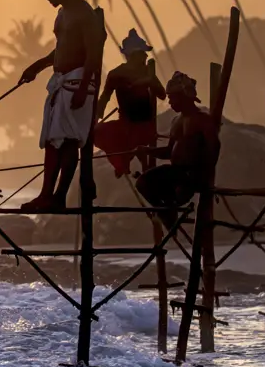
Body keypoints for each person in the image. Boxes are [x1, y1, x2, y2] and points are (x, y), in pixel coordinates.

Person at [16, 0, 104, 211]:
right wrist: (37, 66)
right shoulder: (62, 14)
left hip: (78, 82)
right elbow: (61, 49)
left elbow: (93, 54)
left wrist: (83, 87)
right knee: (55, 141)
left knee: (68, 142)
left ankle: (58, 196)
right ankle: (48, 194)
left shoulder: (83, 13)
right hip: (62, 82)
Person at [136, 71, 220, 227]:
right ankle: (167, 211)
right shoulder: (176, 121)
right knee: (142, 183)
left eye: (173, 97)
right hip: (175, 172)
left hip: (192, 174)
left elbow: (214, 149)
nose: (170, 102)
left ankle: (169, 209)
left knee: (174, 192)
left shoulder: (203, 120)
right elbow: (168, 152)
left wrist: (203, 177)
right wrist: (147, 151)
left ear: (185, 96)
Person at [93, 29, 165, 178]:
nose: (146, 56)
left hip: (145, 124)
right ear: (132, 56)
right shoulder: (116, 74)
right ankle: (122, 164)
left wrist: (150, 81)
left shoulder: (147, 72)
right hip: (125, 123)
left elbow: (162, 94)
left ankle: (143, 168)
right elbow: (105, 97)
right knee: (97, 133)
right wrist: (95, 118)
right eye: (142, 53)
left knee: (142, 146)